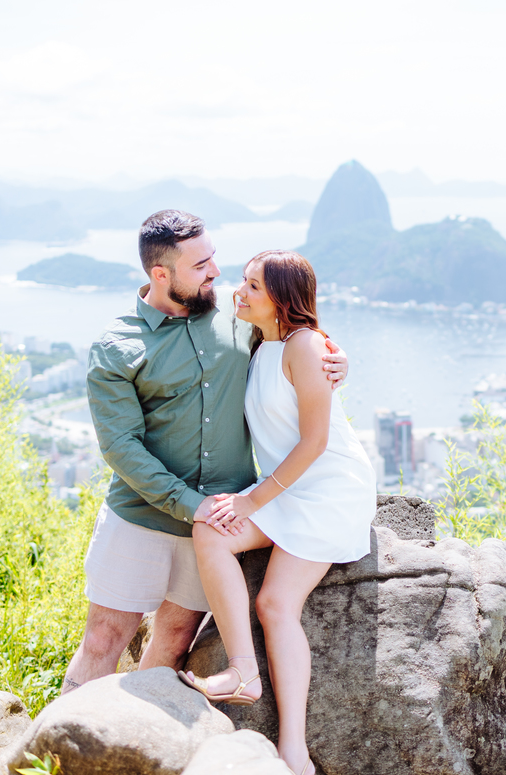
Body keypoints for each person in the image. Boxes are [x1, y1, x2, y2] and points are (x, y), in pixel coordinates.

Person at [60, 212, 348, 694]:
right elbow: (120, 447)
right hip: (141, 514)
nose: (216, 271)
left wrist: (337, 361)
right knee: (103, 638)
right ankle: (57, 755)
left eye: (213, 257)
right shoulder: (117, 346)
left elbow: (298, 348)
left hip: (218, 522)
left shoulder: (241, 322)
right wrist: (191, 504)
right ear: (161, 275)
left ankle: (136, 749)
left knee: (173, 639)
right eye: (201, 265)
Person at [178, 250, 375, 775]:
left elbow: (314, 442)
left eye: (254, 287)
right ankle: (244, 673)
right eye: (242, 282)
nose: (240, 293)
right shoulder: (260, 341)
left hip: (329, 489)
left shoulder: (305, 346)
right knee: (210, 533)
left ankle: (294, 751)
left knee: (275, 603)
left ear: (282, 300)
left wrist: (251, 501)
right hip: (291, 489)